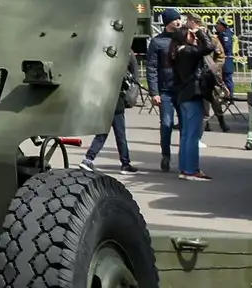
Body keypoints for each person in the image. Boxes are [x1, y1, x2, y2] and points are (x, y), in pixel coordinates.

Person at [169, 18, 213, 179]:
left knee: (187, 134)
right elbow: (209, 47)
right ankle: (191, 169)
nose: (192, 36)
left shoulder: (178, 51)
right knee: (193, 134)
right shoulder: (187, 51)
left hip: (183, 95)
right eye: (190, 35)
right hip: (192, 94)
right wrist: (199, 31)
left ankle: (185, 168)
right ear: (184, 37)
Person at [82, 67, 139, 171]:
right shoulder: (118, 70)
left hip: (103, 105)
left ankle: (88, 159)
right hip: (116, 105)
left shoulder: (100, 69)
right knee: (120, 136)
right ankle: (125, 163)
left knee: (101, 135)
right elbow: (126, 86)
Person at [147, 10, 182, 168]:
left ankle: (185, 156)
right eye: (176, 19)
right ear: (168, 22)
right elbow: (151, 68)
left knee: (185, 125)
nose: (179, 22)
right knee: (166, 124)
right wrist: (154, 92)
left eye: (179, 19)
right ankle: (165, 155)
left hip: (183, 89)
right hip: (165, 90)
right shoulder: (157, 42)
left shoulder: (183, 38)